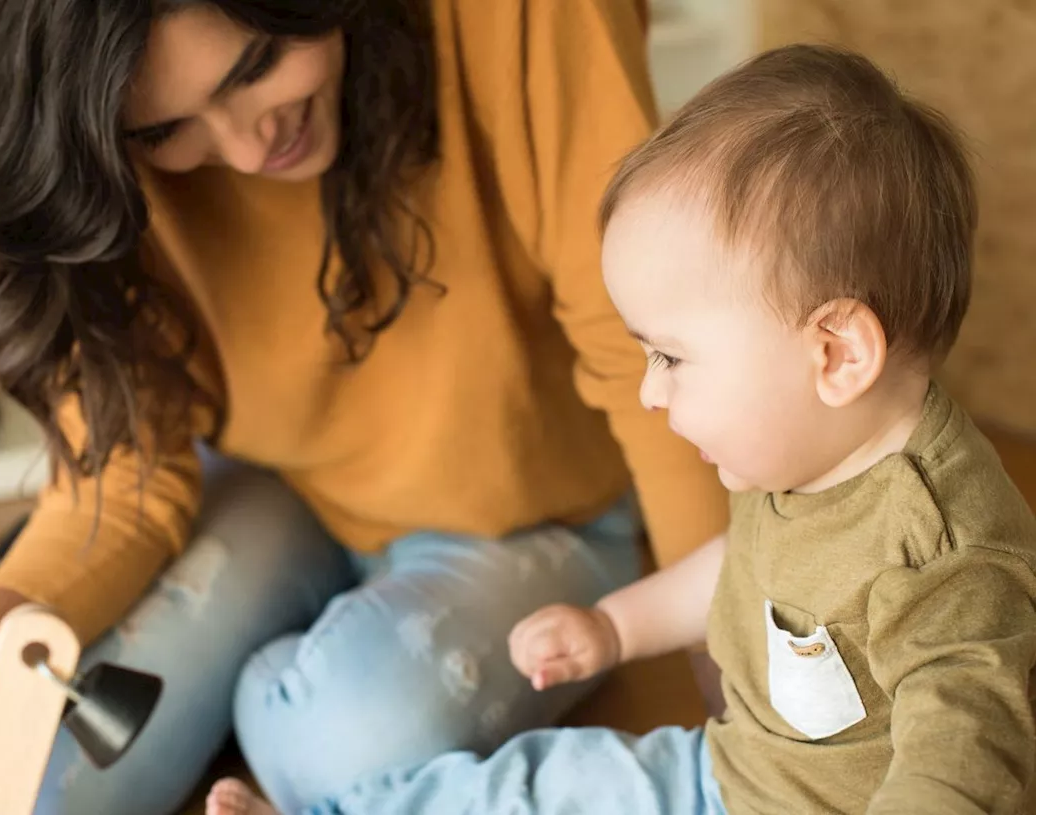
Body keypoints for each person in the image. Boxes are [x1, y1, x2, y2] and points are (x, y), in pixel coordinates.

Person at [0, 1, 730, 813]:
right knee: (15, 780)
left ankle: (268, 691)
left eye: (255, 66)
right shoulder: (94, 129)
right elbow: (118, 482)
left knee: (334, 742)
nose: (246, 147)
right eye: (165, 132)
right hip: (278, 492)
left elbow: (636, 349)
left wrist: (728, 667)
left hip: (541, 509)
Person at [208, 43, 1037, 815]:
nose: (648, 391)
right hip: (726, 777)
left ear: (836, 352)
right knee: (541, 786)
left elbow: (964, 750)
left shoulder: (944, 557)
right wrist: (614, 627)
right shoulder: (811, 450)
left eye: (672, 357)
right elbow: (738, 569)